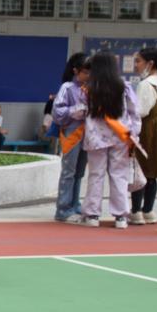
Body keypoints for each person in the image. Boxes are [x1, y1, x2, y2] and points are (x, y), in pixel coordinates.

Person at [80, 53, 140, 229]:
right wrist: (134, 134)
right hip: (120, 135)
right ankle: (121, 217)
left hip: (95, 137)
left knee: (95, 175)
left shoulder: (88, 89)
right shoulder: (124, 86)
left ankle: (92, 215)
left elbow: (80, 111)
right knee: (119, 175)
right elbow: (134, 112)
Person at [129, 48, 157, 224]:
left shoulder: (145, 84)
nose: (135, 65)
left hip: (147, 130)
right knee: (152, 172)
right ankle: (148, 210)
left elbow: (140, 111)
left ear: (150, 63)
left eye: (138, 61)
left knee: (140, 171)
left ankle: (136, 211)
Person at [53, 53, 91, 222]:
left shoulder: (89, 88)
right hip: (72, 132)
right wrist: (73, 110)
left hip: (87, 132)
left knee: (80, 171)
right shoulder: (67, 88)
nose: (88, 76)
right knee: (69, 171)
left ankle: (74, 203)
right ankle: (63, 208)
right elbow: (57, 112)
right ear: (76, 71)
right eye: (85, 72)